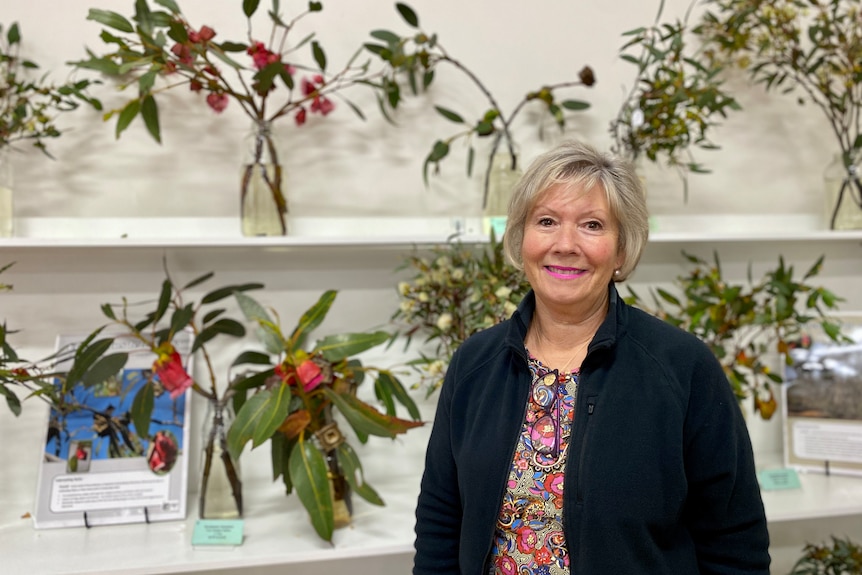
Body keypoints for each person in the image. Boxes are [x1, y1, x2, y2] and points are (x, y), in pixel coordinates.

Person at [412, 140, 770, 574]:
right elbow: (440, 520)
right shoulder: (475, 364)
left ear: (621, 250)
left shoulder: (682, 366)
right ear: (520, 239)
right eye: (546, 221)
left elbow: (734, 542)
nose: (565, 244)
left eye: (592, 225)